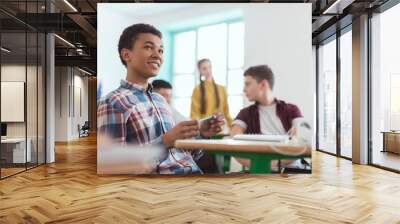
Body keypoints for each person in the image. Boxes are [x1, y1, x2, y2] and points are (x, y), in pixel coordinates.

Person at [97, 23, 224, 174]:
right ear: (126, 55)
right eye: (149, 47)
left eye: (161, 50)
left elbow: (185, 155)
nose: (158, 55)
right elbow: (115, 168)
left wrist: (202, 134)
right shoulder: (113, 102)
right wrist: (165, 141)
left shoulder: (160, 100)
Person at [231, 65, 304, 170]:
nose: (243, 89)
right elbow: (234, 140)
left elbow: (301, 139)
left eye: (247, 84)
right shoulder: (245, 114)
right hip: (259, 172)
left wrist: (272, 164)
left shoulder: (292, 110)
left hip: (293, 172)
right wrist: (259, 166)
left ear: (263, 84)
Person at [152, 79, 219, 173]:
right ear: (152, 96)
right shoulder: (150, 115)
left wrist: (202, 131)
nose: (166, 100)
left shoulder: (171, 110)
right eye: (163, 96)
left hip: (186, 164)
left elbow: (188, 123)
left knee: (208, 155)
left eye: (169, 96)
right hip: (169, 167)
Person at [190, 59, 233, 129]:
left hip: (221, 129)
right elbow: (194, 114)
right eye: (204, 68)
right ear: (200, 71)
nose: (208, 70)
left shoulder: (222, 89)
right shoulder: (197, 90)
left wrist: (234, 126)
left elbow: (226, 113)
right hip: (205, 130)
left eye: (209, 67)